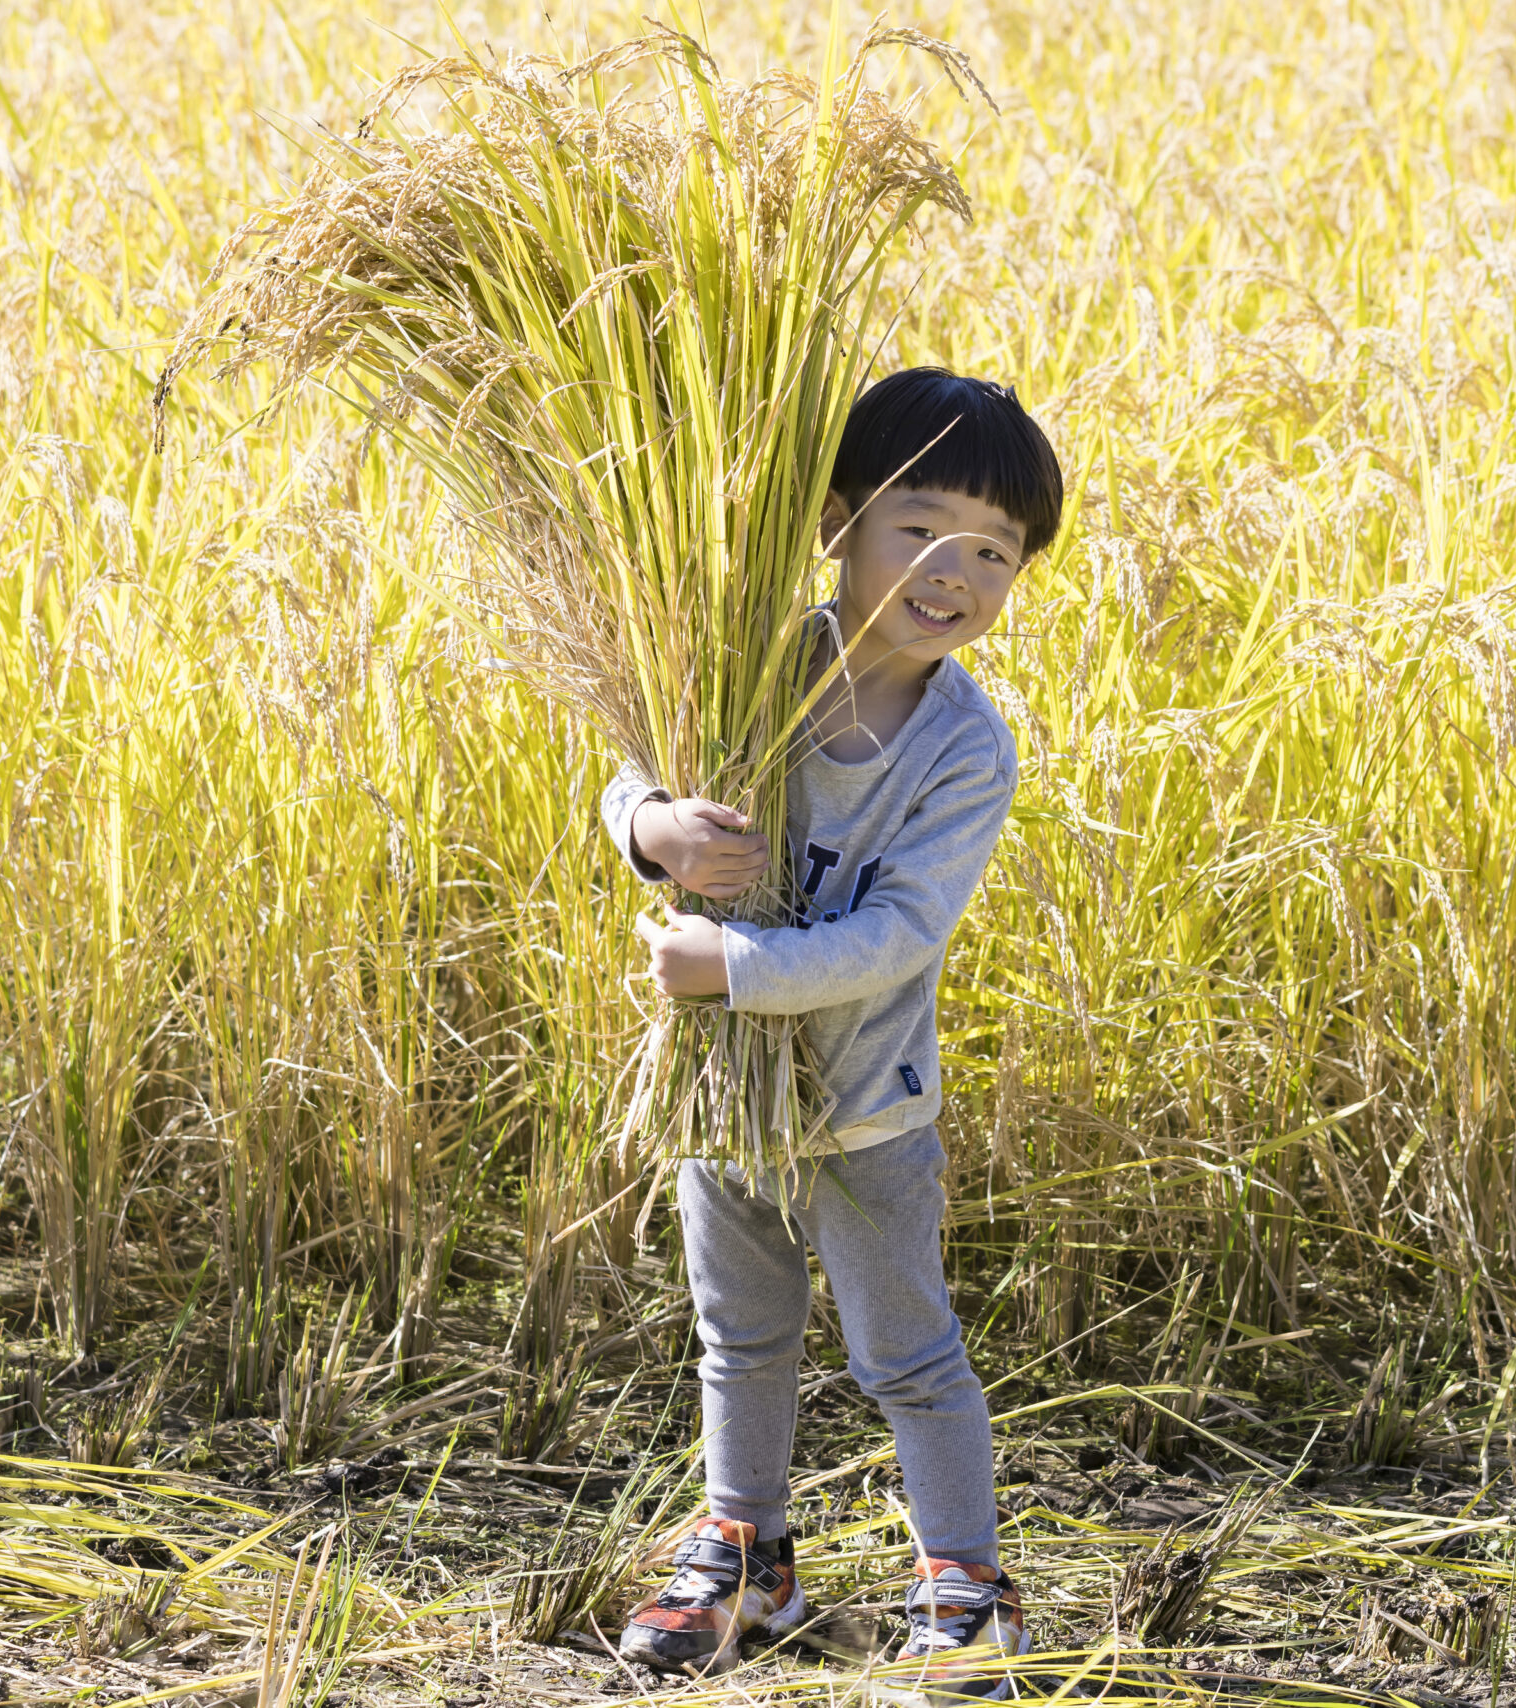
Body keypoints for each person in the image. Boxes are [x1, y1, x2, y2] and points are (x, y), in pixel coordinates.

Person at [602, 368, 1062, 1694]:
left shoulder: (965, 748)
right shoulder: (752, 665)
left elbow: (901, 936)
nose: (952, 571)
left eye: (994, 550)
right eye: (918, 528)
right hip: (722, 1095)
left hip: (867, 1107)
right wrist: (657, 832)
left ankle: (965, 1584)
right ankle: (749, 1556)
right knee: (737, 1337)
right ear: (838, 521)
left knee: (903, 1352)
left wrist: (733, 967)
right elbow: (633, 771)